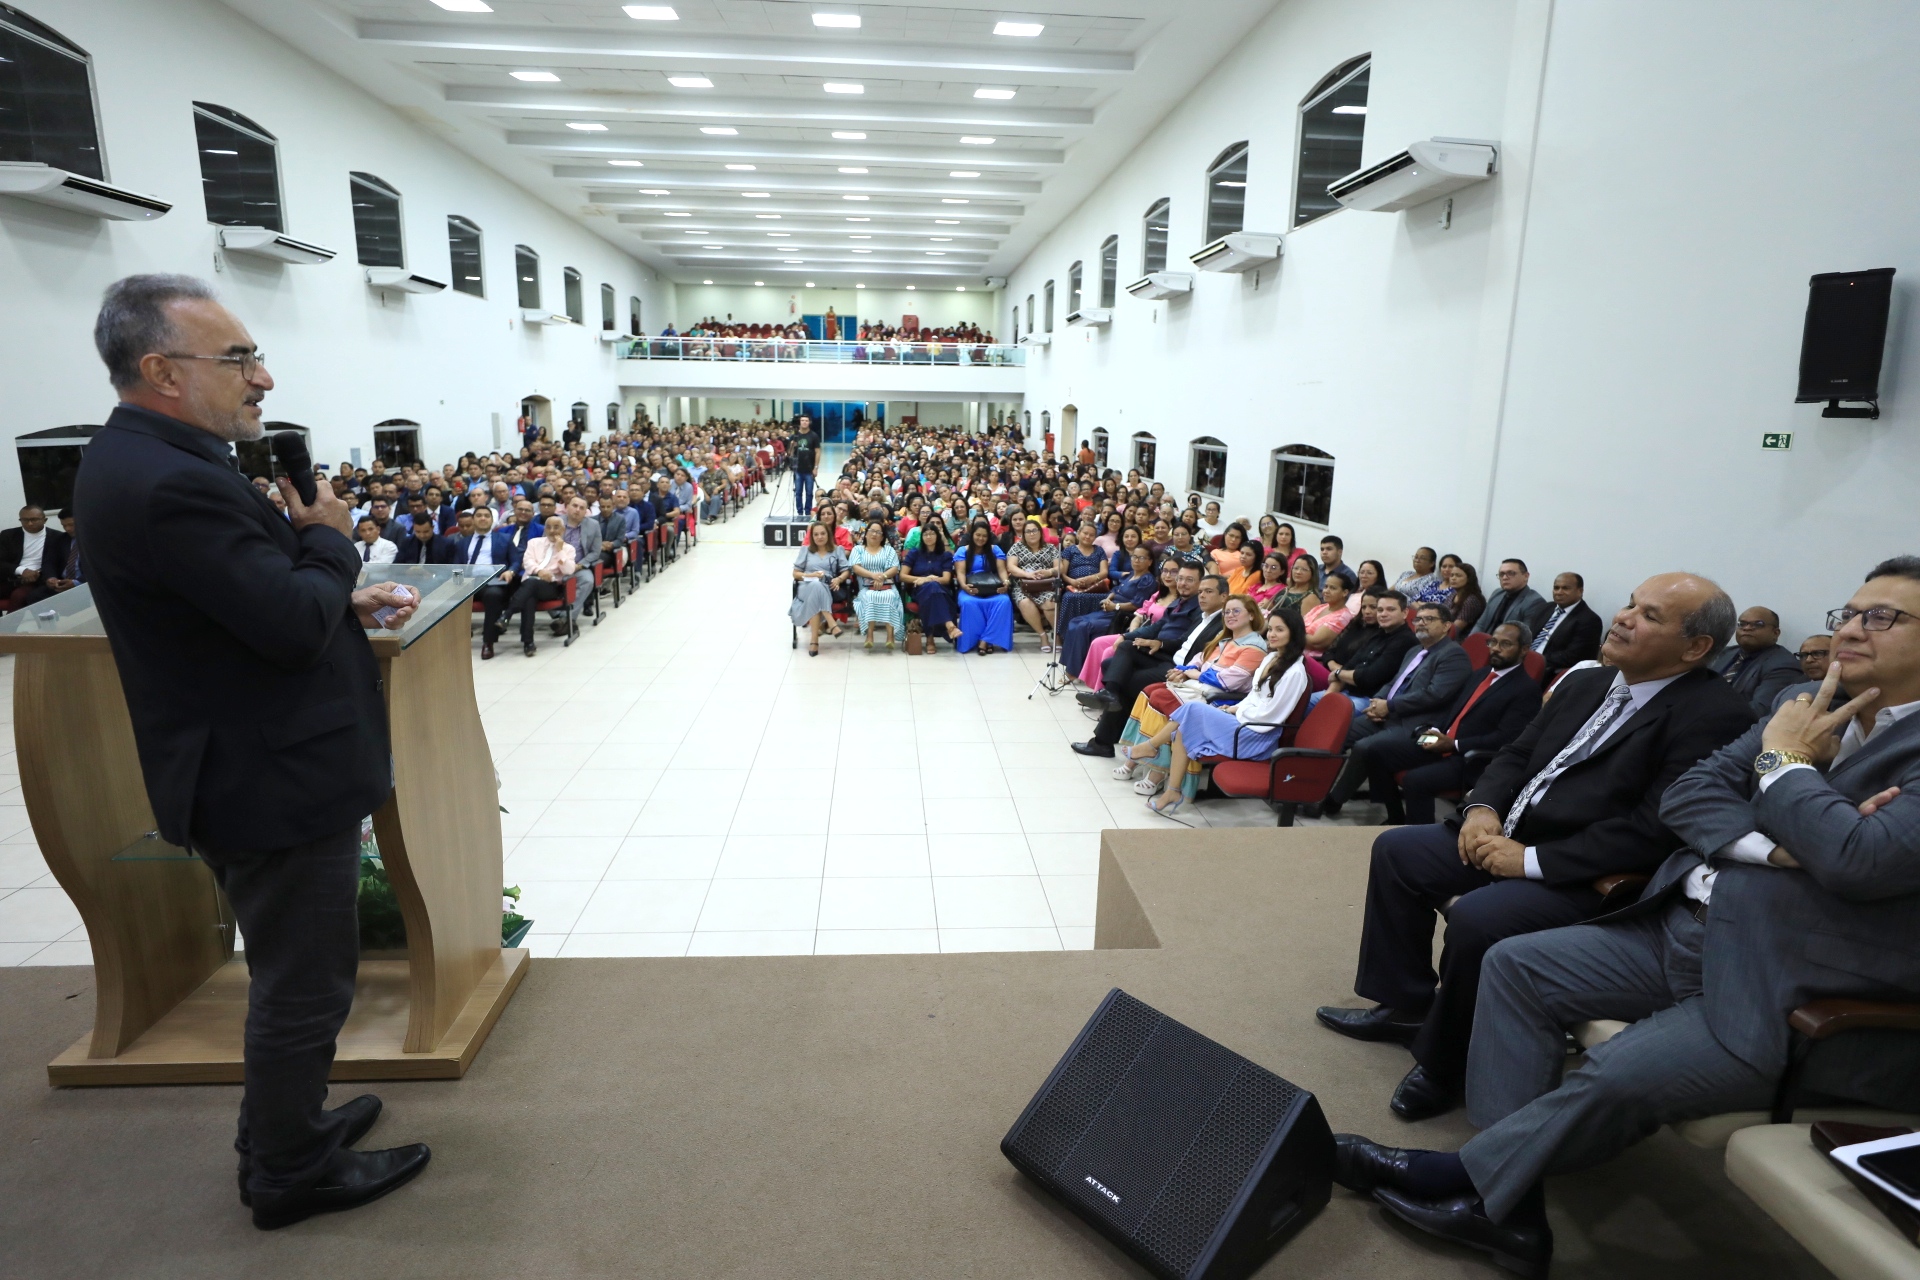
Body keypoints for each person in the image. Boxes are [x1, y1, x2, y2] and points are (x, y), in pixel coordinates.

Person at [1337, 558, 1920, 1277]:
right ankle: (1505, 1201)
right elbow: (1693, 797)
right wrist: (1784, 847)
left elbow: (1861, 860)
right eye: (1851, 613)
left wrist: (1784, 768)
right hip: (1685, 922)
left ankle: (1476, 1184)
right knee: (1517, 965)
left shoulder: (1799, 725)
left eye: (1884, 617)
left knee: (1612, 1071)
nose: (1853, 629)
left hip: (1785, 979)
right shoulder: (1802, 695)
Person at [75, 274, 426, 1228]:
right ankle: (285, 1169)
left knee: (297, 973)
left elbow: (233, 606)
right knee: (305, 985)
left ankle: (291, 1126)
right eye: (237, 358)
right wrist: (332, 547)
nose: (261, 377)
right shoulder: (170, 481)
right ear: (161, 370)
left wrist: (327, 593)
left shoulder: (150, 460)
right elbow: (279, 623)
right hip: (266, 772)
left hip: (250, 753)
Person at [1314, 572, 1753, 1126]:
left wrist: (1529, 861)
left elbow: (1656, 828)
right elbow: (1517, 754)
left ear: (1696, 647)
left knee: (1478, 919)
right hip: (1506, 834)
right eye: (1630, 604)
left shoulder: (1716, 714)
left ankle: (1444, 1061)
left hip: (1585, 876)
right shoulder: (1587, 681)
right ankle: (1404, 1004)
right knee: (1399, 852)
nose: (1623, 617)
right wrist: (1481, 810)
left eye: (1649, 616)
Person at [1349, 621, 1541, 825]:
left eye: (1505, 644)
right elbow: (1453, 710)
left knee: (1416, 780)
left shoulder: (1525, 691)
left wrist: (1454, 744)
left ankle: (1417, 836)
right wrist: (1432, 730)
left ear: (1524, 649)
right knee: (1377, 751)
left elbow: (1505, 739)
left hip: (1468, 756)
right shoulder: (1482, 674)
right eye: (1493, 642)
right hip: (1441, 740)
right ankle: (1396, 817)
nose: (1495, 648)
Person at [1138, 606, 1310, 817]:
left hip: (1256, 735)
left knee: (1192, 708)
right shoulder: (1271, 658)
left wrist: (1237, 714)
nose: (1272, 635)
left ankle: (1150, 746)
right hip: (1245, 720)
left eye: (1280, 630)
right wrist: (1234, 708)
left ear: (1294, 633)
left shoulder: (1295, 672)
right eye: (1271, 629)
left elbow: (1273, 715)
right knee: (1183, 729)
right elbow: (1254, 696)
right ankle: (1173, 791)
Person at [1072, 568, 1225, 758]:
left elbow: (1203, 653)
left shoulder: (1220, 622)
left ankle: (1103, 739)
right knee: (1124, 650)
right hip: (1168, 657)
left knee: (1126, 680)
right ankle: (1109, 696)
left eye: (1207, 591)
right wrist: (1131, 636)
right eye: (1201, 591)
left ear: (1224, 596)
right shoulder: (1201, 614)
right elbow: (1169, 634)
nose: (1202, 595)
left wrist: (1165, 649)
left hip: (1177, 666)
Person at [1080, 557, 1179, 690]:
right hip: (1139, 632)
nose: (1167, 575)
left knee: (1110, 651)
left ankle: (1103, 691)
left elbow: (1162, 628)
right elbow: (1139, 614)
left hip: (1153, 638)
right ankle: (1093, 687)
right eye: (1165, 571)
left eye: (1173, 572)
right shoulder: (1159, 594)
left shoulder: (1180, 601)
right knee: (1098, 643)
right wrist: (1132, 632)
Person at [1714, 605, 1804, 716]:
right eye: (1742, 624)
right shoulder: (1724, 653)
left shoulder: (1783, 665)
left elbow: (1759, 711)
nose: (1747, 628)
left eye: (1758, 624)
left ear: (1775, 633)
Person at [511, 513, 576, 656]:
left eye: (556, 527)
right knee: (529, 597)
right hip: (531, 583)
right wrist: (539, 571)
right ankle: (528, 643)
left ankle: (507, 615)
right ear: (545, 529)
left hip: (550, 587)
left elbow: (569, 570)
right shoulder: (534, 543)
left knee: (530, 584)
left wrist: (560, 551)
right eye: (549, 527)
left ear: (563, 530)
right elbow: (527, 563)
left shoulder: (568, 549)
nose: (552, 531)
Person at [463, 505, 520, 660]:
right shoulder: (464, 542)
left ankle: (488, 642)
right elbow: (456, 564)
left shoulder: (504, 539)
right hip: (468, 582)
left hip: (493, 581)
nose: (483, 518)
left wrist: (511, 571)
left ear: (492, 520)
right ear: (473, 520)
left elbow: (516, 561)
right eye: (479, 515)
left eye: (486, 516)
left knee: (494, 595)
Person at [953, 522, 1013, 654]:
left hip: (992, 588)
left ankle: (985, 640)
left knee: (1004, 601)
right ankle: (985, 641)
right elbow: (961, 573)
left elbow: (1002, 571)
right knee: (968, 603)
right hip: (970, 588)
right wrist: (964, 586)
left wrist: (1006, 583)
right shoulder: (963, 551)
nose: (981, 538)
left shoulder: (995, 549)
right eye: (978, 535)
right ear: (972, 534)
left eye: (984, 536)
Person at [1, 505, 73, 613]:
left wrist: (42, 575)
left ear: (45, 520)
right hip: (11, 577)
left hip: (37, 580)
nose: (29, 523)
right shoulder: (8, 535)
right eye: (25, 520)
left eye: (34, 519)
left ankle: (10, 629)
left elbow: (54, 563)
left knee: (19, 596)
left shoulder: (57, 537)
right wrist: (22, 570)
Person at [1529, 571, 1602, 679]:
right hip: (1525, 660)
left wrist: (1536, 659)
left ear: (1580, 591)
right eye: (1556, 588)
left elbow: (1573, 656)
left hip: (1550, 670)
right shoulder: (1544, 608)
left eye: (1565, 588)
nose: (1559, 592)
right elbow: (1529, 635)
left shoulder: (1589, 620)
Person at [901, 520, 959, 650]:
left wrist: (931, 580)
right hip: (918, 590)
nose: (928, 537)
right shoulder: (915, 553)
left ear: (937, 536)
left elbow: (946, 579)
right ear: (922, 537)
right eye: (925, 534)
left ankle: (929, 637)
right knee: (932, 588)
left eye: (932, 533)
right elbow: (903, 576)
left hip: (940, 590)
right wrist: (926, 579)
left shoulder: (945, 555)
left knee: (933, 591)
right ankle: (949, 625)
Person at [850, 520, 903, 650]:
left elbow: (895, 568)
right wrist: (872, 575)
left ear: (882, 536)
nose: (874, 534)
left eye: (878, 532)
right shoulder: (858, 549)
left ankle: (890, 636)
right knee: (870, 597)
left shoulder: (888, 550)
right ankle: (869, 635)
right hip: (865, 587)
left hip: (888, 586)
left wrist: (882, 576)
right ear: (866, 534)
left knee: (890, 597)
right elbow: (856, 568)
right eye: (872, 531)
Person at [1007, 520, 1061, 648]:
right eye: (1028, 531)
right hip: (1023, 585)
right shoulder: (1017, 547)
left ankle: (1057, 634)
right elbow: (1011, 566)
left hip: (1045, 584)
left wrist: (1048, 572)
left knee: (1050, 602)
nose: (1031, 534)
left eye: (1034, 530)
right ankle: (1043, 636)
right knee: (1024, 602)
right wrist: (1027, 574)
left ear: (1040, 532)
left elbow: (1060, 567)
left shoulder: (1050, 548)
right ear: (1023, 534)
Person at [1471, 559, 1552, 637]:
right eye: (1501, 574)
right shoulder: (1497, 593)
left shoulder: (1534, 601)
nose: (1505, 577)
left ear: (1526, 576)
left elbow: (1524, 636)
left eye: (1511, 573)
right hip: (1484, 642)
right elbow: (1480, 624)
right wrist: (1470, 642)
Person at [791, 415, 820, 516]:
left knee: (809, 493)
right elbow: (789, 453)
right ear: (799, 422)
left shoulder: (814, 436)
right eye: (802, 420)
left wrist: (816, 468)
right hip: (797, 469)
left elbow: (818, 452)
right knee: (798, 492)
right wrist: (791, 445)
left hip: (809, 469)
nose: (804, 422)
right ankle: (799, 512)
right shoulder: (795, 436)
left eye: (806, 420)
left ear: (809, 422)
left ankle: (808, 512)